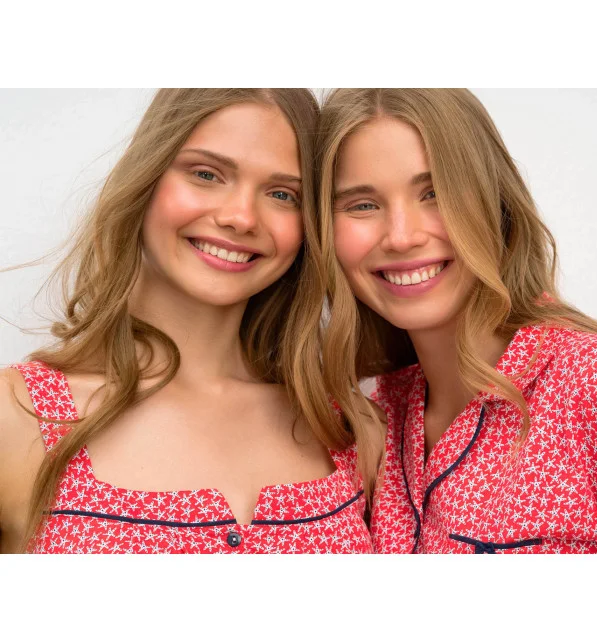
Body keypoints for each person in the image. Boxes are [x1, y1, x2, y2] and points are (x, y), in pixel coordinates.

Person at [313, 88, 597, 553]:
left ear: (498, 203)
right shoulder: (369, 421)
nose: (401, 236)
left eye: (435, 193)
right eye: (362, 204)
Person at [0, 88, 374, 554]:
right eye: (206, 174)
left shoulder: (348, 427)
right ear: (148, 177)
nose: (240, 217)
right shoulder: (15, 416)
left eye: (283, 194)